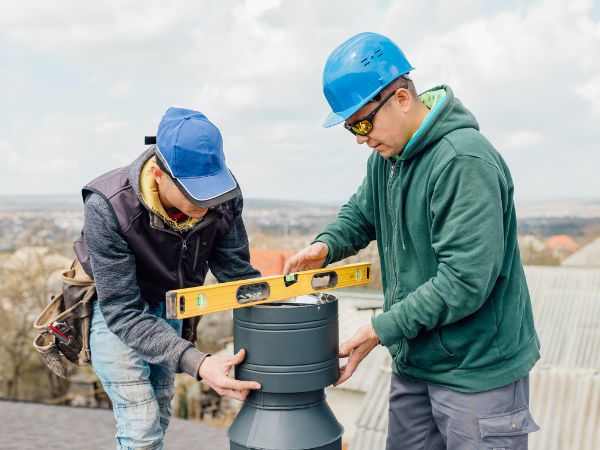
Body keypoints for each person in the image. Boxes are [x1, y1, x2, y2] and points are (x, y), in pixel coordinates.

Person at [284, 32, 540, 449]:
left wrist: (380, 328)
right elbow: (362, 212)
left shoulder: (462, 161)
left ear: (401, 98)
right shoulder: (386, 159)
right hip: (417, 363)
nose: (360, 138)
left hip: (476, 373)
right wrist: (326, 245)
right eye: (351, 128)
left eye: (363, 123)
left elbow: (464, 280)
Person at [74, 107, 261, 449]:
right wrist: (199, 363)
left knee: (158, 415)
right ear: (159, 173)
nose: (206, 204)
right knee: (141, 425)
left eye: (213, 192)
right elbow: (123, 311)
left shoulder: (225, 198)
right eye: (193, 193)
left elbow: (237, 274)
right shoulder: (109, 205)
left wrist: (287, 307)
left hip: (171, 307)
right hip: (119, 311)